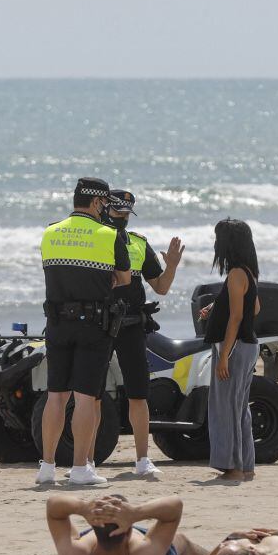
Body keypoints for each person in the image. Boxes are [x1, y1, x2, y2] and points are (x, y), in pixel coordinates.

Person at [37, 178, 131, 487]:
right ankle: (80, 468)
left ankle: (47, 467)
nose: (106, 210)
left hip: (57, 324)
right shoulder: (110, 235)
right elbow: (125, 278)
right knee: (86, 398)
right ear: (95, 203)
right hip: (93, 325)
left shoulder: (50, 232)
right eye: (104, 204)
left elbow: (54, 271)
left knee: (55, 397)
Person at [88, 189, 185, 478]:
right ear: (105, 210)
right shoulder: (93, 240)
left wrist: (173, 266)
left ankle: (142, 460)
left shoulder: (139, 244)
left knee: (138, 393)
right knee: (91, 395)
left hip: (131, 325)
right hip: (100, 325)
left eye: (127, 214)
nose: (123, 219)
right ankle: (87, 461)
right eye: (118, 213)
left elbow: (162, 287)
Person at [198, 218, 261, 481]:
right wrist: (216, 307)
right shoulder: (247, 272)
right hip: (248, 346)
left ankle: (233, 468)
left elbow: (236, 317)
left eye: (217, 239)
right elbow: (254, 308)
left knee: (227, 407)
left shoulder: (236, 274)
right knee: (238, 407)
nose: (215, 244)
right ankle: (245, 466)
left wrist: (224, 354)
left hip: (235, 348)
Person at [45, 494, 208, 555]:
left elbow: (53, 505)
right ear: (129, 532)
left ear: (93, 531)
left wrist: (84, 508)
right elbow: (175, 505)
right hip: (137, 543)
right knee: (181, 542)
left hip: (103, 535)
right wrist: (136, 513)